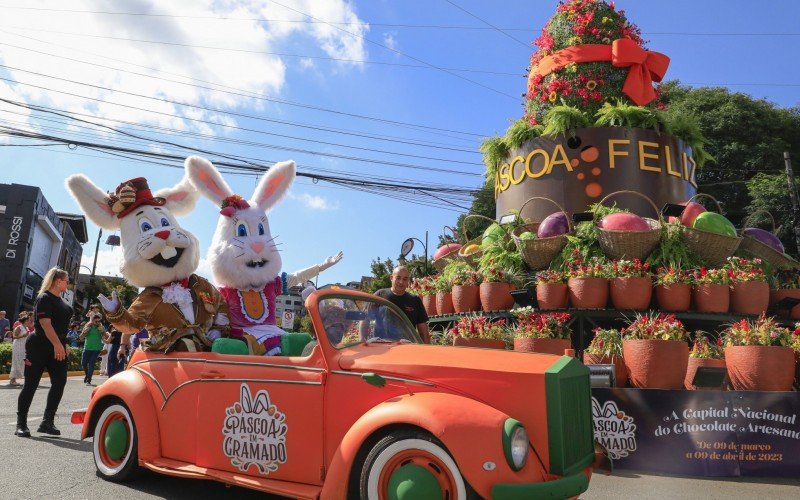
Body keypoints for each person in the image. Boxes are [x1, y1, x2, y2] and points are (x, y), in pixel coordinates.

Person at [16, 267, 73, 437]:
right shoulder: (44, 298)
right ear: (58, 281)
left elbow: (61, 327)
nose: (68, 283)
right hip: (39, 346)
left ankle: (47, 422)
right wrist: (57, 344)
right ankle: (21, 424)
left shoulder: (65, 304)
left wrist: (64, 344)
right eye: (66, 280)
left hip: (58, 346)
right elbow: (46, 324)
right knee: (31, 385)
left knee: (59, 382)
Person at [371, 266, 430, 343]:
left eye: (405, 279)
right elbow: (365, 319)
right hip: (382, 348)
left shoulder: (415, 300)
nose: (401, 282)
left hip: (406, 349)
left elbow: (423, 331)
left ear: (408, 281)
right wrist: (362, 342)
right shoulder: (380, 295)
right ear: (391, 278)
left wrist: (426, 351)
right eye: (398, 278)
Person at [79, 314, 105, 385]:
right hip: (87, 348)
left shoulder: (101, 327)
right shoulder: (87, 326)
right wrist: (85, 330)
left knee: (91, 363)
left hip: (96, 349)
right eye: (96, 321)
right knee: (83, 363)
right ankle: (87, 375)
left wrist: (102, 331)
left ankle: (89, 380)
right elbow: (81, 337)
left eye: (98, 321)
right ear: (92, 320)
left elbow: (105, 336)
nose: (97, 322)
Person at [8, 312, 32, 386]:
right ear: (25, 321)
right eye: (28, 320)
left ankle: (17, 378)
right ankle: (12, 380)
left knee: (22, 362)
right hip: (17, 346)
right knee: (16, 361)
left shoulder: (27, 328)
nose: (30, 322)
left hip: (23, 347)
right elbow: (14, 336)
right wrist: (23, 336)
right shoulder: (19, 327)